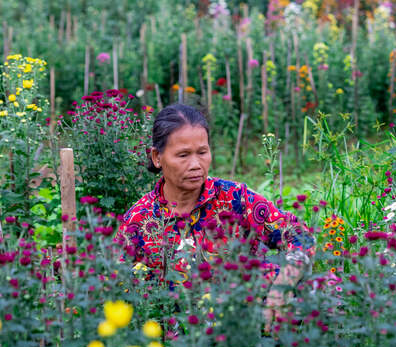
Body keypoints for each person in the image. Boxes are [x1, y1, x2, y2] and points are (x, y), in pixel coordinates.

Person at [115, 103, 315, 330]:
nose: (195, 165)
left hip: (239, 329)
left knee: (317, 288)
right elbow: (117, 283)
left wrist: (281, 287)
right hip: (174, 339)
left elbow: (299, 236)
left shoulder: (235, 199)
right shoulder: (139, 219)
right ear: (157, 157)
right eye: (182, 155)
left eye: (202, 152)